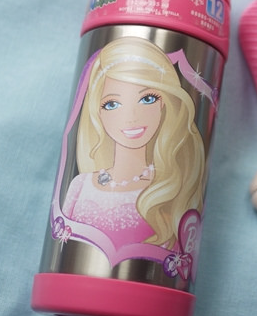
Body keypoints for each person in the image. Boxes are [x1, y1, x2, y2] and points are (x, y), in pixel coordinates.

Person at [61, 37, 206, 252]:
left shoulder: (171, 187)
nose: (131, 116)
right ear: (97, 112)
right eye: (112, 104)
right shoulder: (80, 185)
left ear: (164, 103)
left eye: (147, 99)